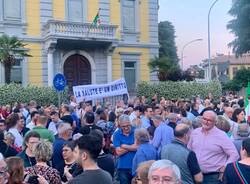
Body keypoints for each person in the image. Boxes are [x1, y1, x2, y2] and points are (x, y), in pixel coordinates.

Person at [188, 110, 239, 184]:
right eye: (204, 119)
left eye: (209, 120)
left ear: (215, 122)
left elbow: (234, 154)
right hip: (194, 174)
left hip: (212, 177)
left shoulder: (221, 135)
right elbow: (189, 150)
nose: (206, 122)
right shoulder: (195, 132)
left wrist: (225, 167)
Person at [113, 114, 137, 184]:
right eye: (123, 126)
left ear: (130, 123)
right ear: (120, 125)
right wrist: (132, 146)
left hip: (135, 166)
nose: (126, 128)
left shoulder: (136, 131)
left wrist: (124, 146)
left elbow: (138, 147)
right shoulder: (117, 134)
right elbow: (118, 152)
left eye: (128, 125)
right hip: (123, 167)